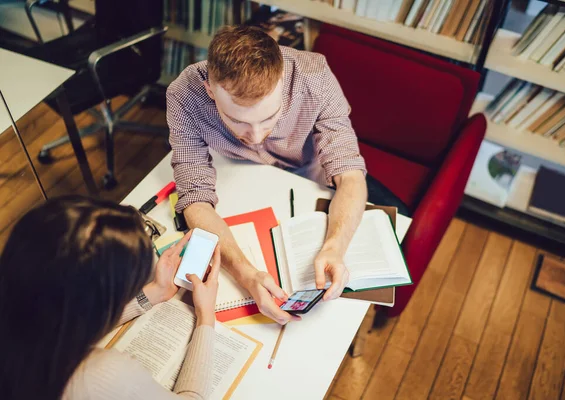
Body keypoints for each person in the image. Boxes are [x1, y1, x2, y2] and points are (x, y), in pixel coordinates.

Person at [168, 25, 409, 325]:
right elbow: (194, 199)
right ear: (210, 90)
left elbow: (349, 174)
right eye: (237, 120)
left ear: (282, 82)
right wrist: (246, 275)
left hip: (311, 180)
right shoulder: (184, 95)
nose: (255, 136)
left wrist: (334, 247)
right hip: (245, 182)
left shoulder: (315, 77)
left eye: (268, 117)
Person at [0, 196, 220, 400]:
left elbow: (62, 316)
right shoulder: (101, 375)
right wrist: (206, 315)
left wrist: (154, 292)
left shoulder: (21, 309)